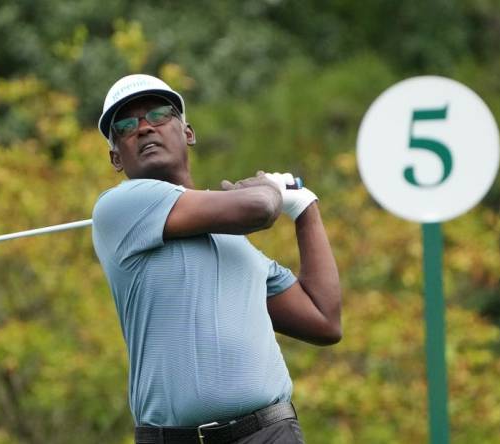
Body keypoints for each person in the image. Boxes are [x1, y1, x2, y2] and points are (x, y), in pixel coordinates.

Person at [91, 74, 341, 444]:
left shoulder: (241, 250)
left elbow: (324, 321)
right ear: (116, 157)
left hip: (267, 434)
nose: (144, 128)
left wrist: (305, 208)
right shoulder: (120, 207)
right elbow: (258, 207)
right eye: (126, 126)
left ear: (187, 132)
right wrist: (270, 190)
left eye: (159, 114)